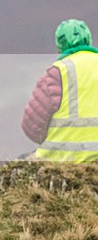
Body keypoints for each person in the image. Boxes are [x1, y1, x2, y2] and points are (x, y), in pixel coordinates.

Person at [22, 19, 98, 162]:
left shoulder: (58, 73)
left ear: (59, 46)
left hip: (64, 157)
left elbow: (31, 125)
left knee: (19, 167)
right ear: (89, 40)